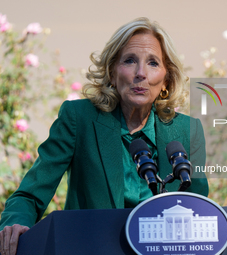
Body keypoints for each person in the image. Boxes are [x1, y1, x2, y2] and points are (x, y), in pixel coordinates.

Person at [0, 17, 208, 255]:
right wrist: (14, 225)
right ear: (111, 72)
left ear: (166, 80)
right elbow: (29, 195)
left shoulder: (186, 131)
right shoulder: (79, 119)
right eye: (129, 61)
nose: (141, 73)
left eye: (153, 63)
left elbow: (200, 209)